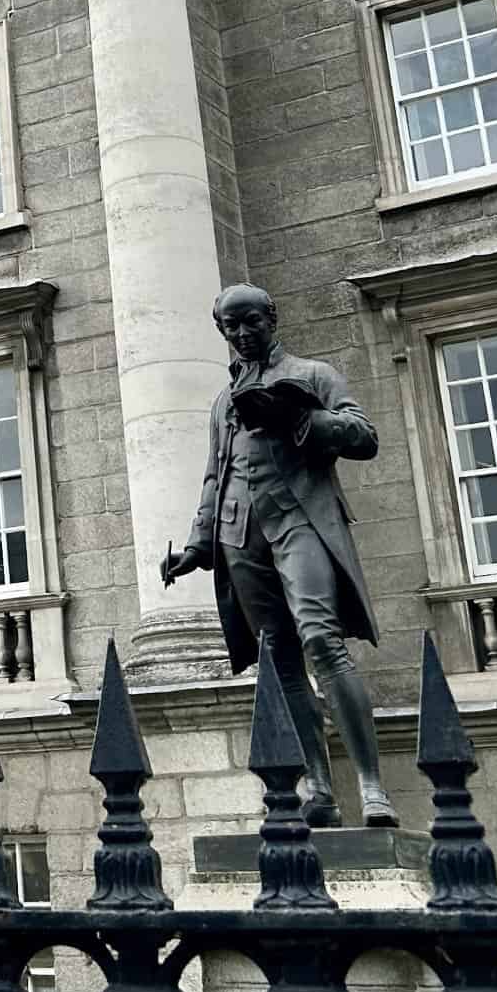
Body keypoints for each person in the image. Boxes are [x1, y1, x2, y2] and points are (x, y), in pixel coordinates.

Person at [162, 282, 397, 827]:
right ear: (222, 331)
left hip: (300, 520)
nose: (243, 334)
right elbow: (214, 476)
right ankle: (319, 787)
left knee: (320, 636)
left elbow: (364, 436)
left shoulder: (313, 375)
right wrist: (197, 545)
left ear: (272, 318)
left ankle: (372, 787)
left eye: (252, 322)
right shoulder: (222, 404)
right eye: (231, 326)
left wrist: (301, 421)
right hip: (239, 535)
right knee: (279, 659)